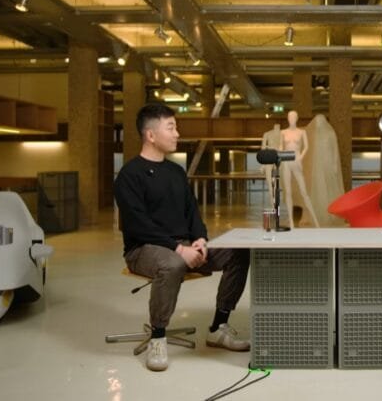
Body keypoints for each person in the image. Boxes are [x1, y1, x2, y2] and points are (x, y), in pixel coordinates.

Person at [114, 103, 251, 372]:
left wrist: (199, 239)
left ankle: (218, 327)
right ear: (151, 135)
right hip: (144, 249)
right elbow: (137, 225)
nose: (177, 133)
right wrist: (178, 249)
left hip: (183, 245)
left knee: (239, 251)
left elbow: (192, 212)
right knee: (172, 263)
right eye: (171, 127)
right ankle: (158, 337)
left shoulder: (176, 172)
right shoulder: (129, 175)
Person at [280, 110, 320, 229]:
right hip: (286, 160)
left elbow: (306, 147)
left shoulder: (302, 132)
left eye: (293, 117)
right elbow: (281, 146)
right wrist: (280, 156)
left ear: (296, 118)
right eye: (289, 117)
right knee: (288, 191)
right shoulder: (283, 132)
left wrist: (301, 158)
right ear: (287, 118)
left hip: (297, 159)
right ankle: (291, 221)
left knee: (304, 191)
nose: (291, 119)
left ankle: (315, 220)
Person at [260, 122, 281, 208]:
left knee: (277, 183)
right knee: (269, 183)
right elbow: (263, 148)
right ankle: (273, 205)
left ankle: (276, 202)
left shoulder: (283, 134)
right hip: (269, 158)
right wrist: (263, 163)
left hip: (279, 159)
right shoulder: (267, 134)